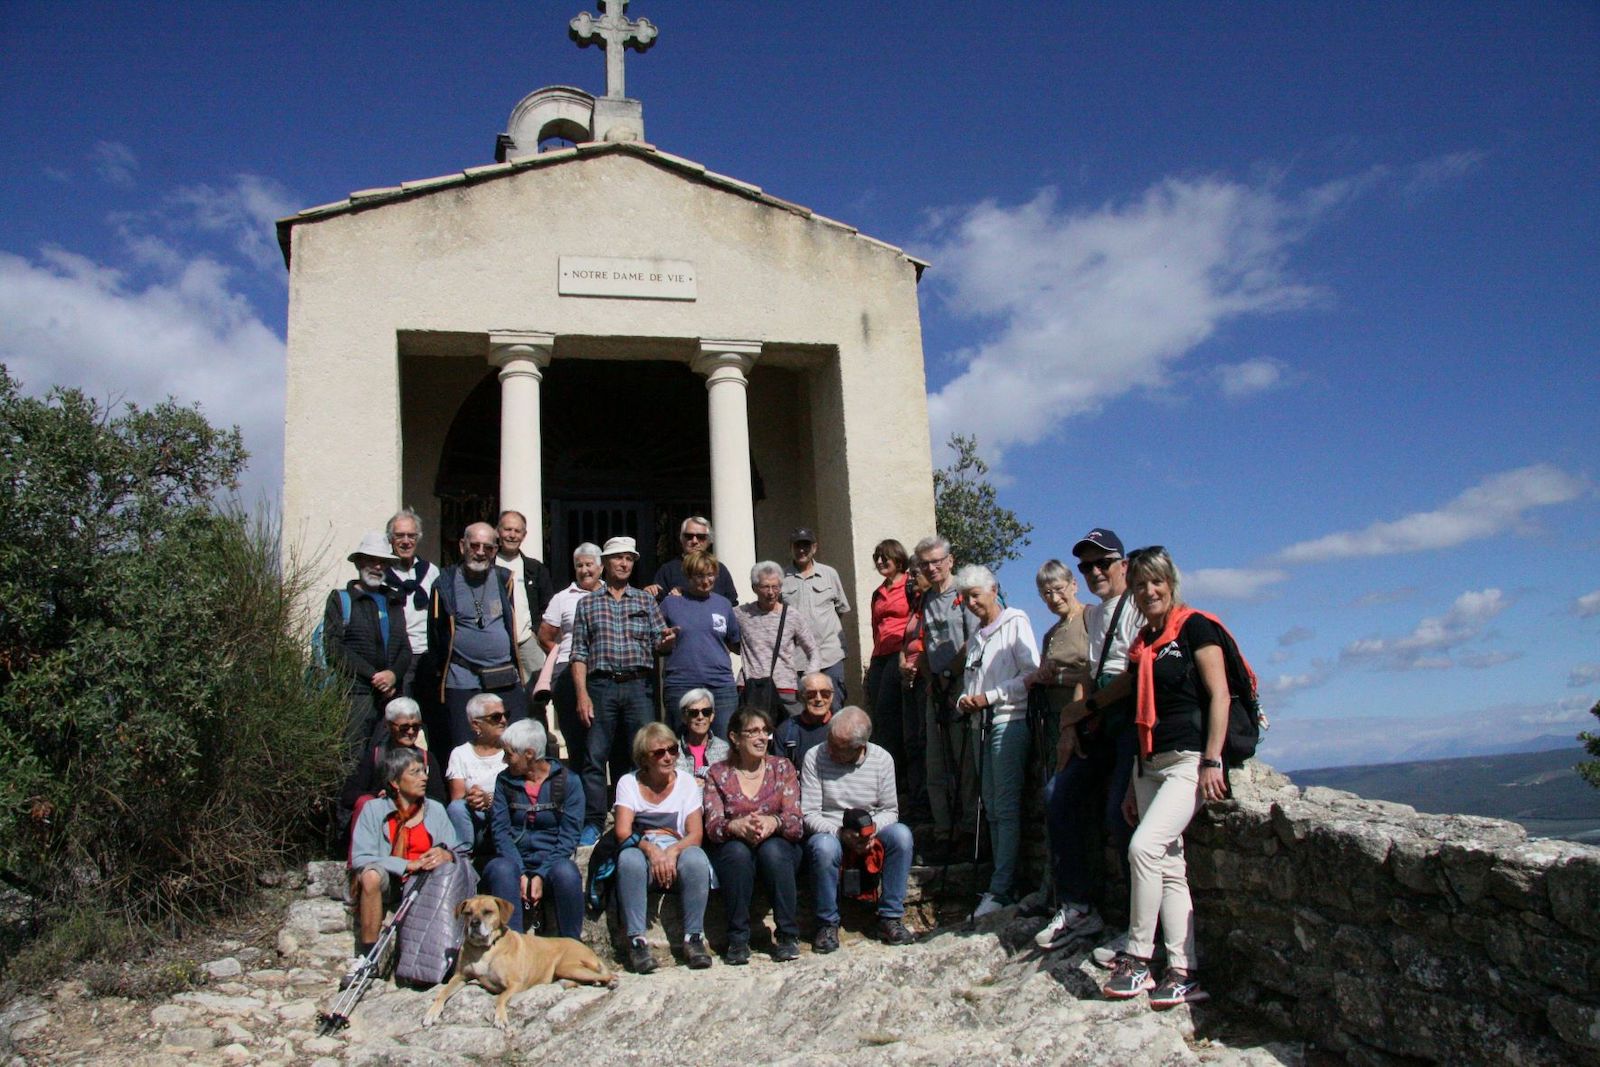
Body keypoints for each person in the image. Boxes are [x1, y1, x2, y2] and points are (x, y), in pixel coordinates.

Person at [1099, 546, 1229, 1009]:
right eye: (1139, 584)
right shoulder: (1143, 643)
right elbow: (1138, 712)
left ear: (1171, 582)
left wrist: (1212, 760)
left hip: (1187, 761)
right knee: (1170, 866)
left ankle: (1136, 957)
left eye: (1156, 582)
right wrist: (1135, 781)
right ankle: (1182, 971)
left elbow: (1219, 695)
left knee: (1143, 848)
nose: (1149, 591)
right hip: (1149, 763)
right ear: (1131, 592)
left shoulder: (1195, 627)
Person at [1036, 528, 1145, 953]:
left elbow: (1134, 675)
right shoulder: (1095, 616)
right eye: (1087, 565)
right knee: (1057, 795)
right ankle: (1078, 905)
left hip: (1127, 721)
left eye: (1103, 562)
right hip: (1098, 721)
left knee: (1124, 812)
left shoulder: (1137, 606)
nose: (1096, 571)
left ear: (1123, 565)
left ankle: (1140, 924)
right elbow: (1089, 670)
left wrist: (1086, 708)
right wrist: (1071, 724)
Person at [570, 536, 674, 846]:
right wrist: (581, 694)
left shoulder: (644, 600)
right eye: (618, 558)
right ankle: (594, 818)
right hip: (601, 686)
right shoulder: (587, 603)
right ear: (605, 563)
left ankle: (636, 816)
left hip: (637, 686)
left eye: (629, 558)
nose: (625, 563)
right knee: (594, 756)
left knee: (640, 754)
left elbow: (659, 642)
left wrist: (667, 641)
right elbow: (578, 653)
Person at [953, 564, 1040, 918]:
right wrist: (965, 699)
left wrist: (992, 697)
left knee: (1004, 805)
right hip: (979, 725)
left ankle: (1002, 888)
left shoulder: (1015, 622)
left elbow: (1032, 673)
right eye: (966, 597)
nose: (971, 603)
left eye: (976, 595)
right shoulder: (977, 636)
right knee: (988, 805)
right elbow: (971, 682)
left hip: (1007, 721)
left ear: (993, 590)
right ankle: (998, 881)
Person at [800, 708, 915, 952]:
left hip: (870, 827)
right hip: (830, 828)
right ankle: (826, 923)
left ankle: (890, 917)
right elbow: (809, 813)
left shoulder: (882, 759)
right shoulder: (814, 756)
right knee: (822, 847)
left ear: (860, 747)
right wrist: (840, 833)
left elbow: (890, 810)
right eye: (829, 742)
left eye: (838, 748)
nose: (830, 750)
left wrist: (870, 832)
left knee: (902, 836)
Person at [703, 707, 803, 964]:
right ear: (735, 737)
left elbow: (795, 823)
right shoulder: (717, 773)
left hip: (778, 844)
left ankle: (788, 936)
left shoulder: (782, 768)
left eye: (765, 731)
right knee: (736, 854)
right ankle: (738, 939)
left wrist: (774, 821)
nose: (761, 738)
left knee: (774, 851)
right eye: (753, 731)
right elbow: (712, 826)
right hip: (735, 845)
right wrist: (735, 827)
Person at [613, 722, 713, 974]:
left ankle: (694, 938)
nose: (668, 756)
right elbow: (623, 831)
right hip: (642, 847)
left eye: (672, 749)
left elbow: (695, 834)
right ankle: (637, 941)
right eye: (659, 753)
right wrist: (652, 850)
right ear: (644, 758)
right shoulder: (628, 782)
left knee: (696, 859)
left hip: (677, 847)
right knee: (629, 860)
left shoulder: (686, 782)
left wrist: (671, 852)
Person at [1020, 560, 1089, 915]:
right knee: (1052, 806)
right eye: (1046, 593)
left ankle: (1074, 897)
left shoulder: (1091, 620)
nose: (1053, 597)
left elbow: (1091, 674)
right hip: (1051, 725)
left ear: (1073, 585)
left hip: (1082, 725)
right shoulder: (1050, 634)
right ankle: (1053, 889)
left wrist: (1054, 678)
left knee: (1062, 801)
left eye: (1059, 589)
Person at [348, 746, 457, 957]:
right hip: (391, 881)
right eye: (415, 772)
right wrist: (405, 865)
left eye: (424, 771)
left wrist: (447, 855)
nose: (424, 778)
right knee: (370, 875)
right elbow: (360, 858)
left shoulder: (435, 809)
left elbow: (456, 851)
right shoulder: (374, 810)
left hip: (426, 882)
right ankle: (368, 955)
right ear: (395, 782)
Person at [429, 522, 529, 749]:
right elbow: (435, 634)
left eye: (488, 547)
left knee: (516, 741)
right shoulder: (445, 583)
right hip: (462, 677)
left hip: (503, 675)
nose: (481, 552)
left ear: (495, 550)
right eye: (474, 545)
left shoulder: (505, 580)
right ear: (463, 546)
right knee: (464, 745)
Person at [910, 535, 978, 861]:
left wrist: (950, 674)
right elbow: (922, 643)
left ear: (950, 560)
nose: (932, 567)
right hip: (934, 689)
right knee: (935, 764)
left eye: (938, 561)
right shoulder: (924, 600)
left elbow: (974, 641)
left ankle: (968, 832)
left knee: (964, 765)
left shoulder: (965, 595)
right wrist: (929, 677)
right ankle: (943, 832)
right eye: (925, 563)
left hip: (962, 687)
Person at [485, 719, 585, 938]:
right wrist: (521, 873)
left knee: (567, 873)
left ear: (529, 754)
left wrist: (540, 874)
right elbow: (500, 832)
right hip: (513, 858)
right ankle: (512, 945)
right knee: (501, 870)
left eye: (509, 754)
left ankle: (572, 946)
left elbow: (569, 837)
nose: (504, 760)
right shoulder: (504, 781)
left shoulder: (569, 782)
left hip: (551, 858)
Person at [324, 531, 413, 763]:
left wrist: (393, 675)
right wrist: (373, 676)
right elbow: (334, 648)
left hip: (392, 695)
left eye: (382, 561)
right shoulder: (341, 599)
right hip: (357, 695)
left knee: (393, 759)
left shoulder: (394, 600)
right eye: (371, 560)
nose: (376, 566)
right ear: (359, 562)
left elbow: (405, 647)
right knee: (354, 759)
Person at [537, 542, 605, 845]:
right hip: (568, 673)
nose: (585, 570)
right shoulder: (562, 598)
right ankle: (579, 815)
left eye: (590, 564)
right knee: (578, 749)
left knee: (600, 749)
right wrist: (566, 654)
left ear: (601, 567)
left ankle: (603, 810)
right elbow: (545, 635)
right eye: (580, 565)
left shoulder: (611, 594)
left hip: (603, 674)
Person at [337, 697, 447, 843]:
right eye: (404, 727)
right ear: (389, 726)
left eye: (416, 726)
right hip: (380, 820)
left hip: (417, 820)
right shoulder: (375, 756)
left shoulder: (427, 758)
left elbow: (439, 799)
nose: (410, 732)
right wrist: (376, 795)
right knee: (364, 801)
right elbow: (348, 795)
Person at [659, 551, 742, 737]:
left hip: (720, 685)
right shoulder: (671, 603)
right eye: (699, 576)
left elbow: (736, 643)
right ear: (688, 576)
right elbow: (655, 642)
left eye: (710, 575)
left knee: (725, 742)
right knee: (678, 743)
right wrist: (664, 642)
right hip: (681, 683)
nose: (706, 581)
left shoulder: (723, 605)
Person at [735, 561, 820, 721]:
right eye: (765, 587)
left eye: (776, 587)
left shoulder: (792, 615)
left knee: (789, 736)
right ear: (754, 588)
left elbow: (813, 651)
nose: (771, 592)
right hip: (751, 688)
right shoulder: (742, 614)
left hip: (785, 689)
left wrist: (807, 680)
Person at [782, 528, 852, 708]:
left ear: (814, 547)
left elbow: (840, 609)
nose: (802, 550)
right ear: (791, 548)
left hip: (829, 654)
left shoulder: (829, 574)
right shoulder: (782, 578)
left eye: (806, 545)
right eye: (797, 546)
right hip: (797, 658)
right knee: (804, 710)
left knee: (834, 707)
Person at [865, 539, 913, 789]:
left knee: (891, 716)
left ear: (898, 559)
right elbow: (876, 627)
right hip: (879, 657)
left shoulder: (910, 585)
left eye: (886, 557)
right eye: (877, 558)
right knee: (880, 719)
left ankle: (901, 780)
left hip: (900, 654)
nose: (881, 562)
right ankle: (888, 778)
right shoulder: (878, 592)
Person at [495, 510, 557, 682]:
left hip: (527, 641)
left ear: (524, 535)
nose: (512, 535)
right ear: (498, 531)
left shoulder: (535, 569)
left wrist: (537, 634)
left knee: (535, 695)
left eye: (517, 531)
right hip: (496, 643)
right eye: (507, 529)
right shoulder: (487, 566)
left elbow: (548, 606)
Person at [383, 508, 438, 702]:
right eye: (399, 536)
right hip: (397, 658)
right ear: (390, 539)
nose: (406, 541)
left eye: (411, 535)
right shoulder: (380, 574)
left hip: (426, 656)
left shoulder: (431, 572)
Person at [445, 692, 509, 856]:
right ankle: (462, 860)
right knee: (457, 808)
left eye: (505, 715)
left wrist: (489, 800)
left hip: (506, 819)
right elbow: (458, 799)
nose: (503, 720)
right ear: (476, 725)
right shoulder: (460, 754)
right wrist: (474, 798)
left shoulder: (513, 750)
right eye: (496, 717)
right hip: (476, 823)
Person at [644, 516, 740, 604]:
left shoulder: (720, 569)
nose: (694, 541)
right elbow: (658, 605)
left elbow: (732, 604)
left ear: (709, 540)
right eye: (689, 536)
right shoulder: (668, 570)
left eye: (701, 537)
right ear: (681, 539)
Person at [773, 671, 836, 772]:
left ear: (832, 696)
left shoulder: (844, 728)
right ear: (800, 697)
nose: (818, 699)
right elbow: (780, 774)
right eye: (811, 694)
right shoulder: (786, 732)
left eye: (825, 693)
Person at [674, 689, 730, 779]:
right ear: (684, 717)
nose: (700, 717)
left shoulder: (724, 749)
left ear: (712, 716)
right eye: (693, 713)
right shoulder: (673, 751)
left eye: (706, 712)